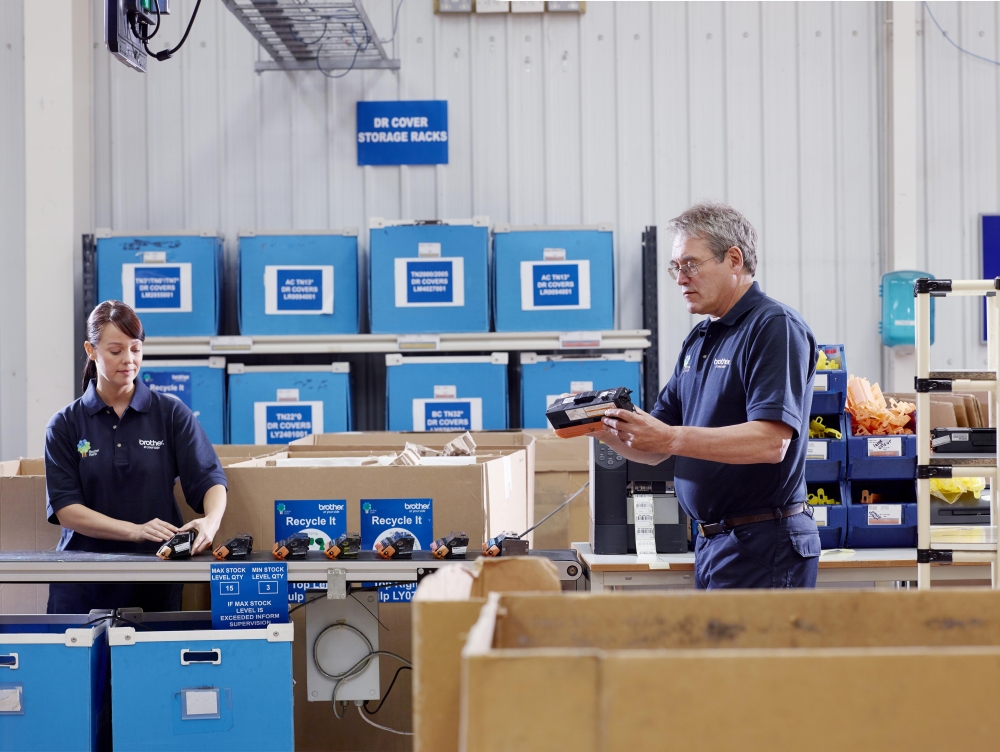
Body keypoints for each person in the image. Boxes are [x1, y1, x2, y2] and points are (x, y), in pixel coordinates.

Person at [598, 202, 821, 589]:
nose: (681, 278)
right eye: (676, 268)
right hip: (713, 543)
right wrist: (608, 429)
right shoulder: (700, 338)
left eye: (691, 264)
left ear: (733, 259)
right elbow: (657, 447)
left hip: (766, 544)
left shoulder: (773, 327)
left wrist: (670, 437)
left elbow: (771, 442)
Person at [44, 300, 228, 613]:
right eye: (116, 351)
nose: (128, 360)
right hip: (82, 585)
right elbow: (66, 509)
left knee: (150, 663)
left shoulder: (170, 413)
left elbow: (210, 479)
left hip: (154, 580)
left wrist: (211, 522)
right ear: (91, 350)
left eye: (136, 348)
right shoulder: (65, 424)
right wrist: (135, 531)